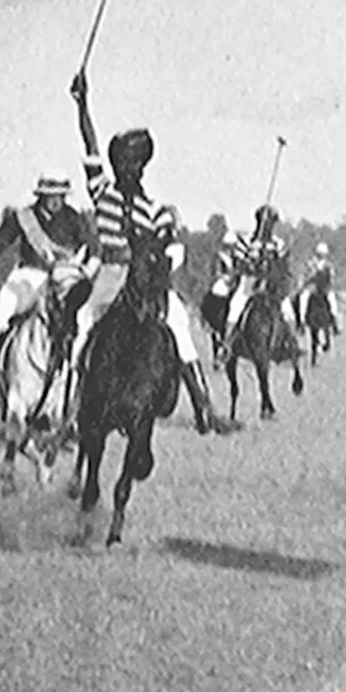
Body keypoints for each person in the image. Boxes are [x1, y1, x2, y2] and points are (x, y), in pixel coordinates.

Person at [67, 71, 219, 426]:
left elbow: (169, 250)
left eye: (133, 164)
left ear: (142, 167)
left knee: (179, 322)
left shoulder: (154, 210)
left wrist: (160, 273)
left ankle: (203, 406)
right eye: (123, 163)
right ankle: (71, 409)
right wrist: (82, 105)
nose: (127, 170)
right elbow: (90, 145)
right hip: (108, 273)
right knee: (83, 319)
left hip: (145, 280)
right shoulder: (102, 190)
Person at [0, 171, 98, 426]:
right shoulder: (23, 217)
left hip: (63, 281)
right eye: (50, 196)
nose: (55, 201)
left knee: (84, 329)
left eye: (59, 196)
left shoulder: (74, 218)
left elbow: (94, 250)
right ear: (41, 195)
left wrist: (85, 273)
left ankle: (75, 406)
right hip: (28, 277)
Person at [218, 204, 291, 359]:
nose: (267, 226)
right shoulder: (245, 242)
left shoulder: (279, 244)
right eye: (264, 221)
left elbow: (283, 268)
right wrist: (252, 262)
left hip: (271, 287)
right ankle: (226, 344)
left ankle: (291, 344)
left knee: (287, 309)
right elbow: (239, 263)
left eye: (271, 222)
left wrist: (272, 272)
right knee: (235, 306)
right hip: (249, 284)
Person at [296, 241, 343, 335]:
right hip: (312, 288)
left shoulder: (328, 265)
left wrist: (330, 283)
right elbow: (305, 276)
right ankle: (301, 321)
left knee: (332, 301)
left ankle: (335, 323)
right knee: (303, 298)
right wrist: (305, 282)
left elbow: (331, 278)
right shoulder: (310, 264)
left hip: (325, 288)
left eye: (323, 254)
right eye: (320, 254)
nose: (321, 256)